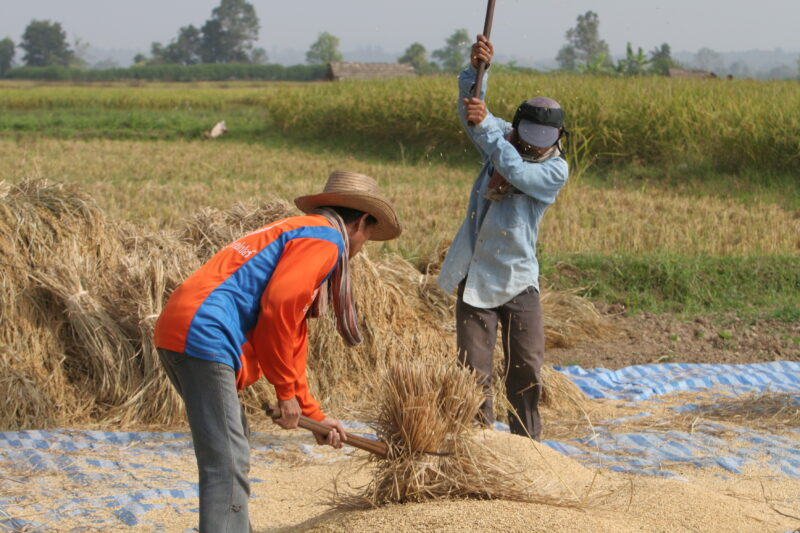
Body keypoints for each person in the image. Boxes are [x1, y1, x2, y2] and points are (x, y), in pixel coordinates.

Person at [154, 170, 401, 533]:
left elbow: (292, 329)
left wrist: (311, 413)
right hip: (205, 333)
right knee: (226, 459)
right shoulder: (326, 241)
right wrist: (285, 394)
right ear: (361, 221)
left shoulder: (301, 230)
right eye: (369, 235)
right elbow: (279, 308)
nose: (363, 247)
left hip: (183, 327)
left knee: (231, 444)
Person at [437, 35, 569, 441]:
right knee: (473, 371)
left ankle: (526, 445)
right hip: (475, 275)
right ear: (519, 127)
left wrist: (489, 132)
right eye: (525, 134)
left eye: (540, 140)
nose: (530, 144)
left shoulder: (553, 170)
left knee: (526, 368)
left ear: (557, 137)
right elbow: (472, 115)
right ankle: (479, 445)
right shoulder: (505, 137)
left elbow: (516, 172)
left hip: (519, 278)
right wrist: (476, 72)